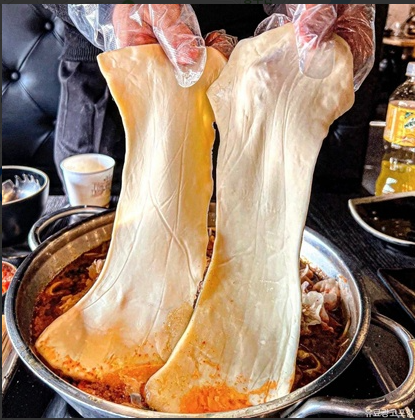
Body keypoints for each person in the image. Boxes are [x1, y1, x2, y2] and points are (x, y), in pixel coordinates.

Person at [43, 4, 379, 196]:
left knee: (271, 209)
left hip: (262, 65)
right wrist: (105, 8)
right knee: (104, 217)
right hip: (122, 52)